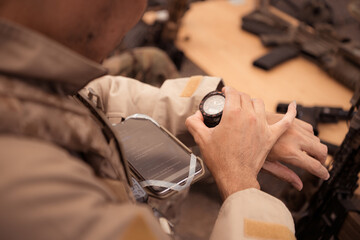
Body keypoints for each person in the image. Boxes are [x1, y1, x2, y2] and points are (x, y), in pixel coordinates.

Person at [0, 0, 329, 239]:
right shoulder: (39, 198)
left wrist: (220, 111)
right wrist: (243, 187)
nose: (139, 13)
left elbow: (96, 95)